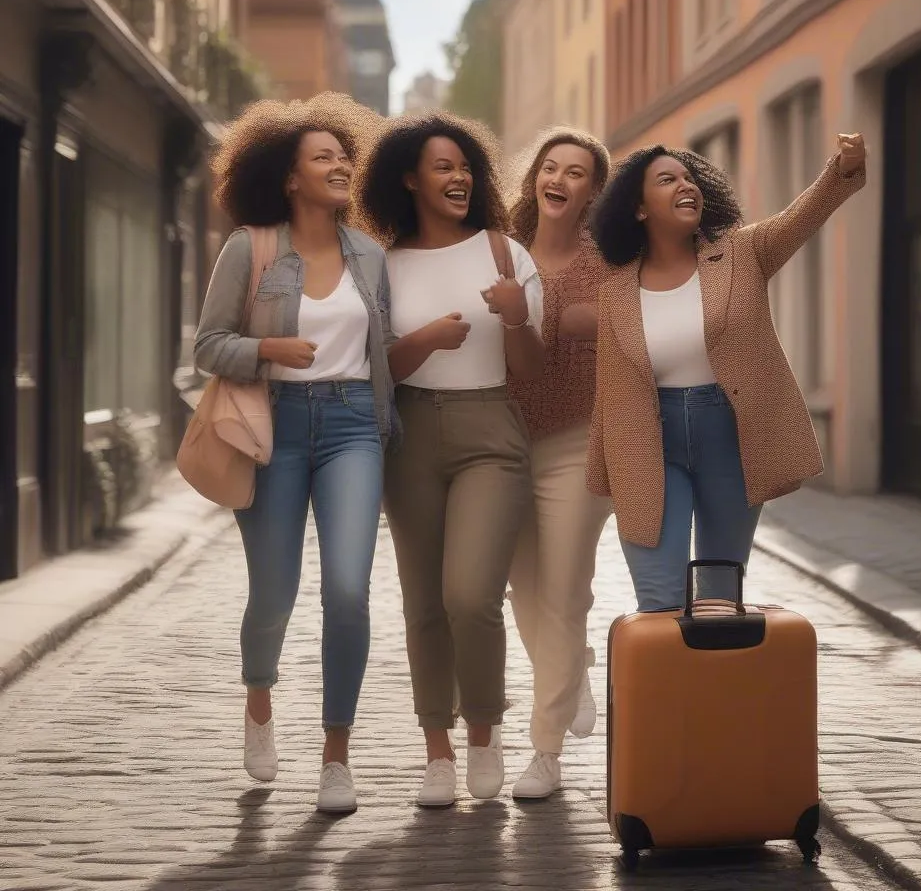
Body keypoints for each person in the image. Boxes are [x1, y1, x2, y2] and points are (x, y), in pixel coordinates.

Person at [193, 93, 396, 814]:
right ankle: (258, 703)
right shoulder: (250, 247)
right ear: (289, 177)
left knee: (348, 589)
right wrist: (268, 349)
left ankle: (336, 757)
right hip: (271, 426)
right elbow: (207, 345)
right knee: (273, 592)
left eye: (344, 156)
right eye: (324, 157)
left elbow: (386, 354)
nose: (341, 166)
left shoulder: (370, 255)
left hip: (351, 428)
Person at [587, 134, 867, 611]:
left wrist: (842, 168)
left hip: (732, 436)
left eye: (691, 178)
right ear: (639, 208)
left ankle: (707, 686)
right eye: (667, 179)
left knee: (719, 596)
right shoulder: (614, 291)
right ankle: (663, 688)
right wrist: (600, 471)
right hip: (648, 443)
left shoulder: (742, 252)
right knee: (659, 597)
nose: (686, 185)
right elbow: (612, 389)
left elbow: (801, 218)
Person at [357, 112, 545, 808]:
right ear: (409, 179)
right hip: (409, 433)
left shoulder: (505, 254)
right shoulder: (379, 263)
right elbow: (375, 366)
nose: (459, 177)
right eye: (443, 166)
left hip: (490, 427)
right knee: (423, 602)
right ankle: (437, 751)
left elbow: (530, 368)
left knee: (470, 595)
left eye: (465, 166)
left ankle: (484, 734)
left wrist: (517, 313)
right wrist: (427, 338)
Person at [503, 127, 614, 800]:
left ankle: (543, 754)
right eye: (551, 166)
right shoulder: (499, 252)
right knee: (523, 591)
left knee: (566, 588)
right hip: (505, 442)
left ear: (592, 191)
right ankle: (575, 666)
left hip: (578, 442)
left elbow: (636, 332)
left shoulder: (610, 265)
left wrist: (594, 322)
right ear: (535, 178)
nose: (560, 179)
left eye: (576, 172)